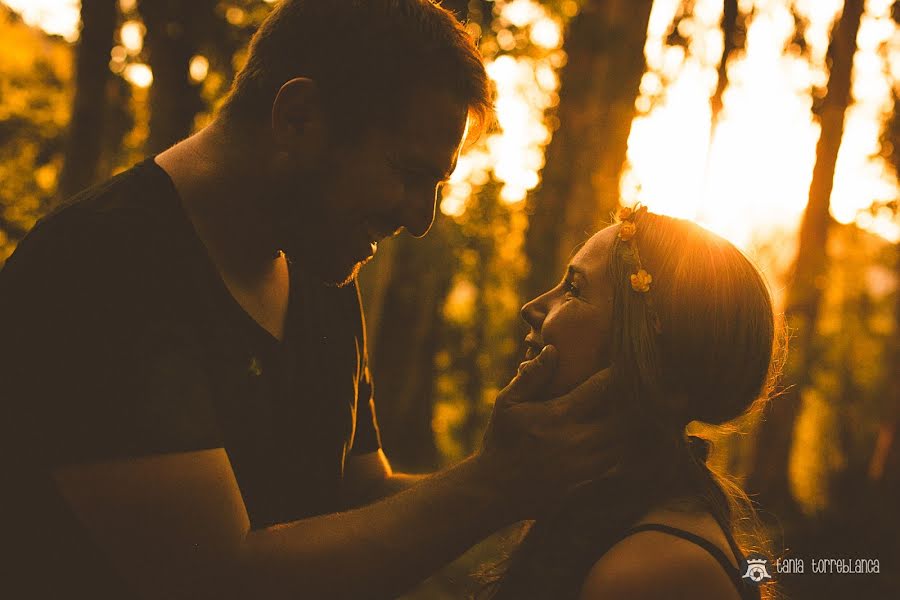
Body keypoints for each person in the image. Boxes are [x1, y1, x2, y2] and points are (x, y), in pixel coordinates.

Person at [0, 2, 621, 599]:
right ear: (298, 117)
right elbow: (217, 581)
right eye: (409, 174)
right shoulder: (102, 267)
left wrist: (538, 473)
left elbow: (356, 498)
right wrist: (494, 486)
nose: (421, 218)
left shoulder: (318, 262)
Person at [481, 207, 782, 600]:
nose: (532, 307)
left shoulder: (652, 572)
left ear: (641, 341)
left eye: (574, 289)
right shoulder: (594, 499)